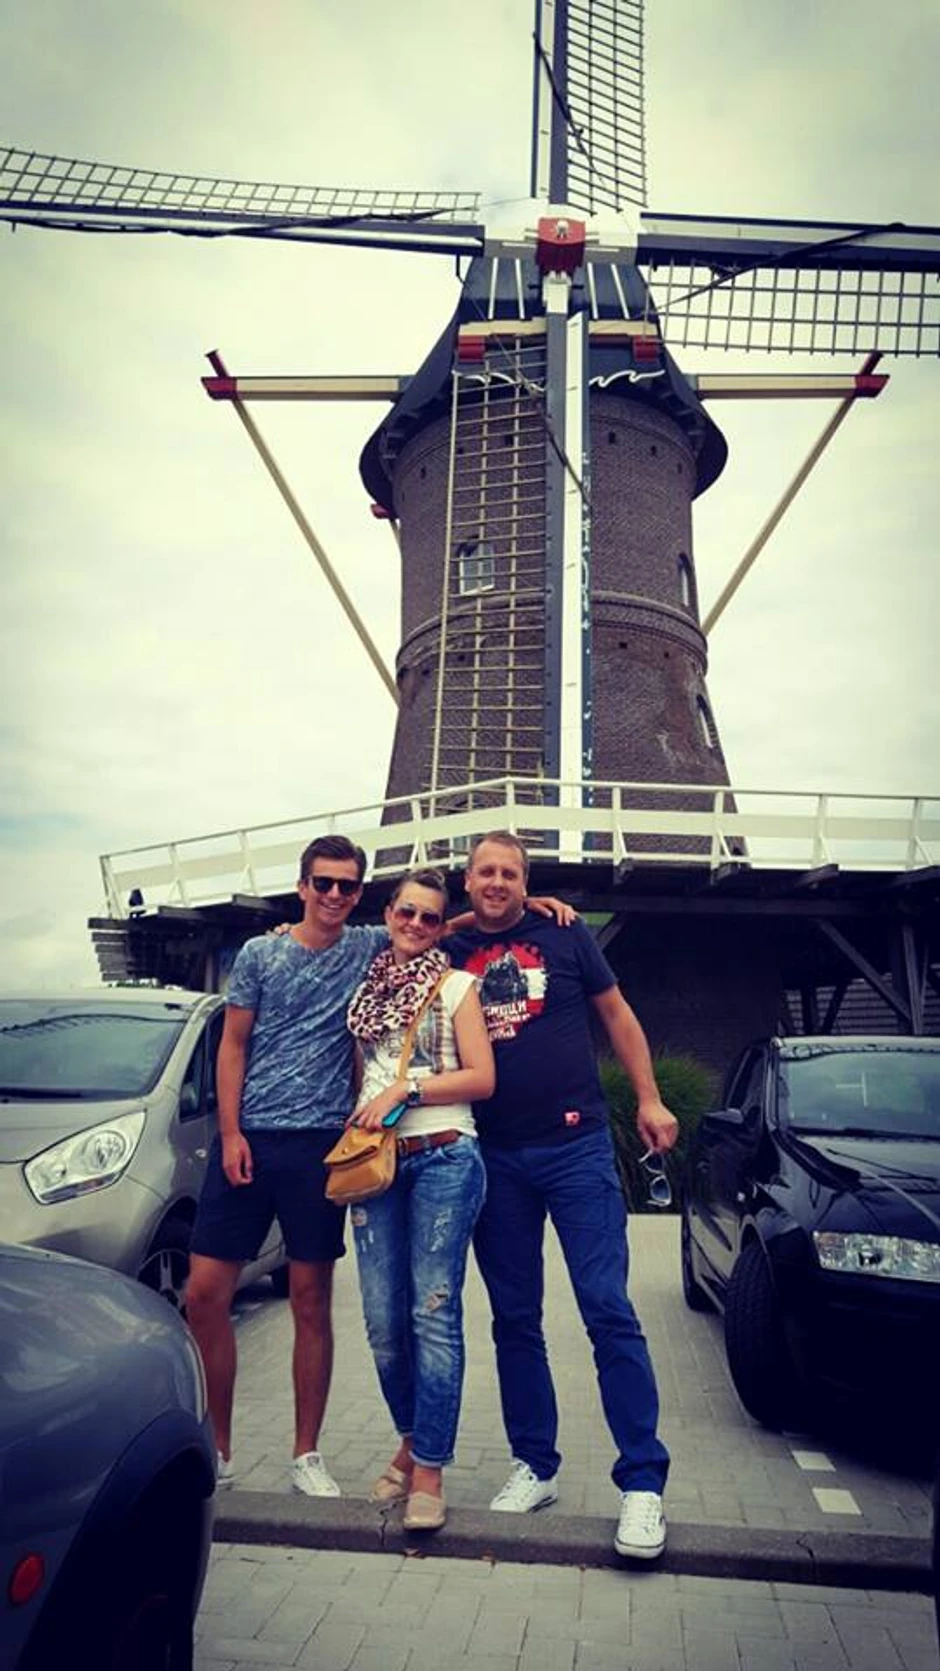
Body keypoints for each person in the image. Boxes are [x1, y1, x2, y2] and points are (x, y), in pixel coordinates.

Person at [444, 831, 678, 1561]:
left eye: (511, 873)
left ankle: (642, 1481)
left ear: (527, 881)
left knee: (607, 1307)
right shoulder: (448, 948)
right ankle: (535, 1465)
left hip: (576, 1148)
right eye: (486, 871)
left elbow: (617, 1015)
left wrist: (650, 1096)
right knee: (515, 1318)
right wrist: (460, 921)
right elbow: (402, 936)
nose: (498, 882)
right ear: (467, 879)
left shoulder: (566, 935)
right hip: (496, 1156)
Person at [185, 833, 387, 1496]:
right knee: (204, 1294)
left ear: (358, 893)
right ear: (302, 886)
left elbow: (438, 923)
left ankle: (307, 1453)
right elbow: (233, 1045)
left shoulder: (366, 946)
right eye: (322, 882)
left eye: (347, 885)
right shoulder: (260, 953)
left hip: (320, 1147)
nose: (334, 894)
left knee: (310, 1299)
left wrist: (535, 904)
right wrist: (230, 1132)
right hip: (251, 1139)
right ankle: (217, 1445)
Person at [345, 868, 495, 1531]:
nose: (416, 924)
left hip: (443, 1155)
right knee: (382, 1320)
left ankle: (429, 1467)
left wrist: (405, 1090)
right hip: (376, 1162)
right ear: (388, 913)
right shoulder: (366, 989)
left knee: (431, 1311)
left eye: (431, 917)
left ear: (441, 928)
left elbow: (482, 1078)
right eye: (407, 911)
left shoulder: (456, 986)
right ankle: (410, 1439)